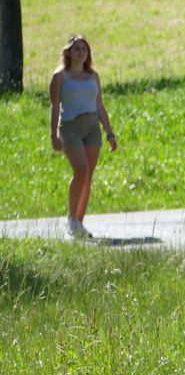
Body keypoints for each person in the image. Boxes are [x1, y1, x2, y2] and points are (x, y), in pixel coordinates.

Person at [49, 34, 117, 239]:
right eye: (76, 48)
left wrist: (109, 132)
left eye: (84, 49)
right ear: (68, 52)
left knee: (88, 174)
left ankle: (78, 222)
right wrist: (53, 135)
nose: (80, 52)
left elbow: (100, 106)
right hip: (70, 127)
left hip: (92, 127)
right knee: (81, 169)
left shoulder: (93, 76)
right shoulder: (60, 76)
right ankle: (71, 219)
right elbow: (54, 107)